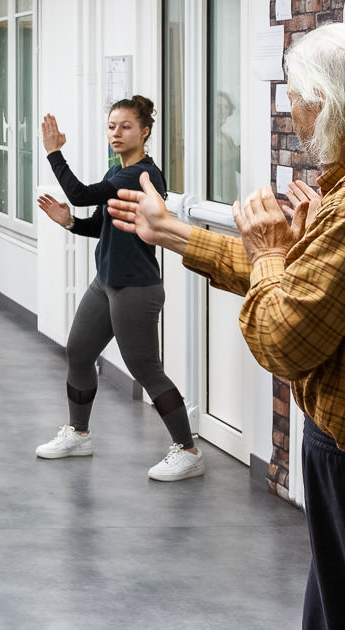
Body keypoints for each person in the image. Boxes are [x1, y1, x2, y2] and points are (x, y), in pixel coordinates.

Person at [106, 23, 345, 630]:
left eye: (297, 101)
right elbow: (304, 287)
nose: (293, 116)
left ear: (333, 103)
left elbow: (284, 335)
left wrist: (268, 253)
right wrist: (174, 234)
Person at [33, 97, 204, 481]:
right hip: (106, 282)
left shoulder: (139, 174)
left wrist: (54, 152)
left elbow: (79, 193)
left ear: (144, 131)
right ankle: (79, 434)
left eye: (125, 126)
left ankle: (188, 451)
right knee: (78, 352)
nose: (116, 133)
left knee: (146, 369)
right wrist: (70, 223)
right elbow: (101, 223)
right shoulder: (118, 171)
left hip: (135, 288)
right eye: (112, 126)